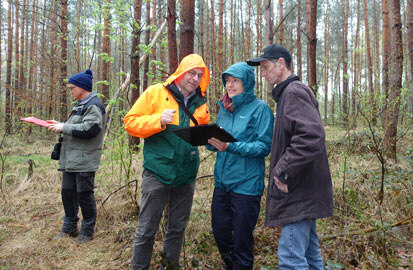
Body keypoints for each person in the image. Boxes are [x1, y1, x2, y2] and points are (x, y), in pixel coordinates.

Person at [247, 44, 334, 269]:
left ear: (281, 64)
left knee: (291, 259)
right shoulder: (288, 93)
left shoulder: (293, 92)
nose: (263, 74)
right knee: (310, 254)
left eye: (266, 67)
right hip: (304, 190)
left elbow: (311, 137)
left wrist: (283, 171)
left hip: (299, 191)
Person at [124, 54, 210, 270]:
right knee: (146, 229)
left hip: (186, 174)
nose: (195, 78)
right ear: (181, 71)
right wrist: (157, 120)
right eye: (192, 73)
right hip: (157, 173)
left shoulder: (201, 103)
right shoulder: (156, 92)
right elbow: (130, 122)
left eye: (199, 75)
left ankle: (170, 265)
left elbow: (200, 134)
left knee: (177, 227)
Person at [206, 62, 274, 270]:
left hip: (246, 184)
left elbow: (264, 147)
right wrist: (210, 142)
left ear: (248, 82)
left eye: (235, 81)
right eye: (227, 81)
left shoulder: (260, 109)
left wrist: (230, 146)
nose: (230, 85)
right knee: (220, 231)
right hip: (222, 182)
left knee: (242, 240)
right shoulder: (225, 109)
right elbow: (221, 142)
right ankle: (231, 265)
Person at [47, 69, 106, 244]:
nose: (70, 90)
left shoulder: (93, 105)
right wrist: (59, 125)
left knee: (84, 195)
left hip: (84, 160)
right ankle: (69, 228)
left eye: (72, 88)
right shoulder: (80, 105)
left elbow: (90, 129)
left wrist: (63, 127)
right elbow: (75, 126)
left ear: (82, 87)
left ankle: (87, 231)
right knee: (67, 193)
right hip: (71, 160)